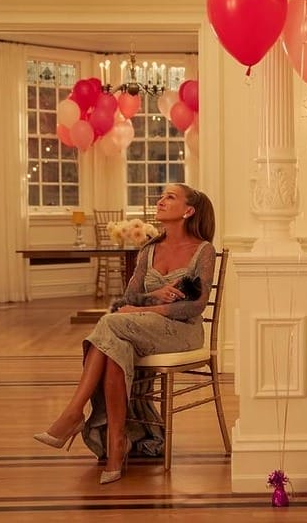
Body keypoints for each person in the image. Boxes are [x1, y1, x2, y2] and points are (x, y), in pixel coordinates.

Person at [33, 183, 217, 484]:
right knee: (116, 346)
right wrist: (155, 294)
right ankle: (116, 445)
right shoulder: (149, 249)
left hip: (183, 331)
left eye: (170, 197)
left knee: (110, 323)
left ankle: (74, 413)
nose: (160, 200)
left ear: (188, 211)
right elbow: (129, 298)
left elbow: (196, 306)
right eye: (162, 195)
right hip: (141, 328)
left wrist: (148, 310)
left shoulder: (203, 250)